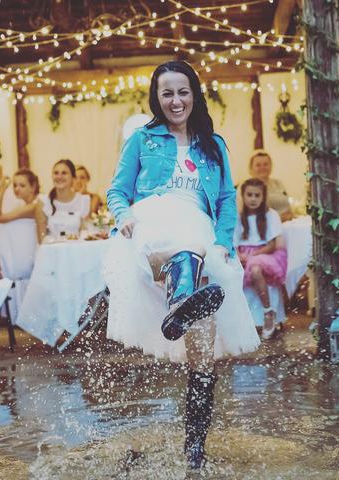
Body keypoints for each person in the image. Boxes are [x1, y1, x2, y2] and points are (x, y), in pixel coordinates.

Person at [105, 61, 259, 470]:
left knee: (202, 358)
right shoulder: (142, 140)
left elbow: (226, 199)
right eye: (167, 93)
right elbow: (117, 191)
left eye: (183, 92)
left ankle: (194, 451)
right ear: (156, 98)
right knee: (183, 238)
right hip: (152, 226)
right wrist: (124, 215)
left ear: (195, 94)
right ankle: (180, 295)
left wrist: (223, 242)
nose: (176, 101)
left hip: (202, 237)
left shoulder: (214, 145)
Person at [235, 178, 288, 340]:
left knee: (256, 268)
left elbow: (272, 245)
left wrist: (252, 256)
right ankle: (241, 320)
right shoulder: (238, 217)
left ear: (263, 197)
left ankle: (268, 311)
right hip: (244, 254)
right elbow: (234, 243)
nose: (253, 199)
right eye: (249, 195)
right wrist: (240, 256)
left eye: (257, 195)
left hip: (264, 253)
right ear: (243, 196)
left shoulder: (270, 215)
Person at [37, 159, 90, 240]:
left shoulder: (83, 201)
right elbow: (41, 236)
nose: (59, 177)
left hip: (76, 246)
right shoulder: (43, 201)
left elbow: (84, 233)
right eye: (56, 173)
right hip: (51, 247)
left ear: (73, 177)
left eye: (64, 173)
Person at [0, 168, 42, 241]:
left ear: (33, 187)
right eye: (15, 185)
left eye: (22, 185)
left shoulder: (35, 205)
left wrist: (2, 190)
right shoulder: (23, 205)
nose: (17, 189)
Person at [248, 150, 293, 221]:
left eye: (266, 164)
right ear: (251, 168)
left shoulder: (278, 183)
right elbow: (251, 216)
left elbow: (288, 207)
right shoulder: (247, 188)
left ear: (271, 166)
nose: (262, 167)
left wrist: (291, 215)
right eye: (258, 165)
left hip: (288, 223)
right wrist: (279, 218)